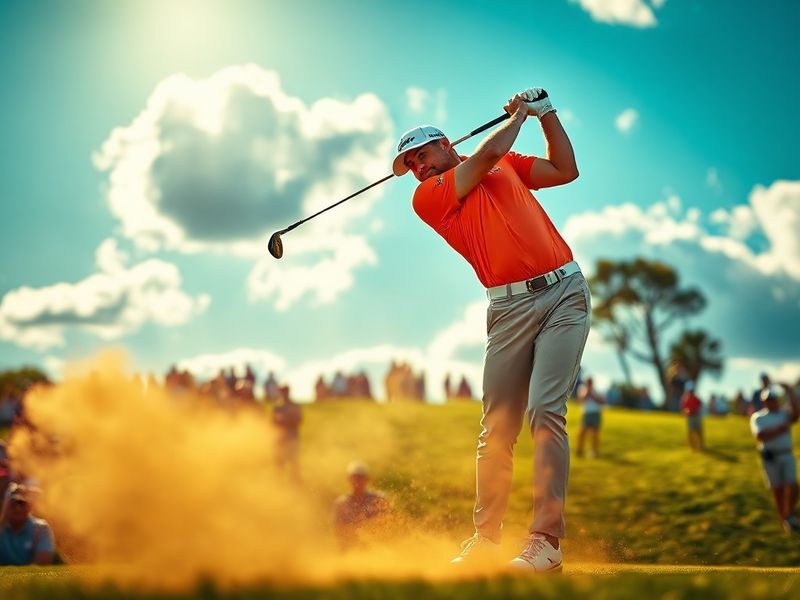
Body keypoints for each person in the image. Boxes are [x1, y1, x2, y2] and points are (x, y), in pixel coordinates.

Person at [395, 86, 588, 572]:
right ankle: (485, 539)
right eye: (411, 165)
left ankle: (546, 541)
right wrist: (519, 116)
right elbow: (485, 157)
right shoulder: (428, 196)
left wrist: (546, 114)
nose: (418, 168)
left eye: (422, 156)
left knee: (545, 411)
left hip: (564, 292)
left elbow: (565, 170)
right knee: (497, 428)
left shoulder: (506, 163)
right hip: (507, 310)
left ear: (445, 144)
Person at [749, 383, 800, 533]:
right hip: (770, 458)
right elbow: (760, 436)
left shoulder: (783, 414)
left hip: (786, 454)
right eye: (769, 399)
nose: (772, 401)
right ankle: (785, 517)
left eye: (774, 398)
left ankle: (788, 514)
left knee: (793, 486)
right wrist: (780, 429)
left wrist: (790, 392)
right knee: (778, 490)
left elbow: (796, 414)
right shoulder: (758, 417)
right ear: (764, 401)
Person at [332, 461, 390, 550]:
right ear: (349, 479)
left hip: (375, 547)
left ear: (367, 479)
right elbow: (338, 529)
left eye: (361, 477)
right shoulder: (342, 503)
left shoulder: (378, 500)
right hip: (351, 549)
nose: (358, 481)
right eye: (355, 477)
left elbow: (387, 524)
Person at [0, 483, 55, 565]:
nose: (17, 508)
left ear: (29, 507)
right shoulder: (2, 527)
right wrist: (4, 517)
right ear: (6, 506)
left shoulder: (41, 527)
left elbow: (43, 561)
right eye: (13, 504)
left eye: (21, 504)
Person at [271, 385, 303, 480]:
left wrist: (285, 420)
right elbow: (273, 422)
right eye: (282, 391)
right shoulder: (277, 407)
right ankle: (279, 479)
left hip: (292, 437)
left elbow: (299, 420)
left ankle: (295, 479)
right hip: (280, 438)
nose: (284, 394)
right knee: (280, 460)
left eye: (285, 391)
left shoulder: (295, 406)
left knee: (293, 459)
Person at [575, 377, 605, 458]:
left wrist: (593, 396)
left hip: (596, 413)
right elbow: (580, 400)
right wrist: (587, 393)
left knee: (595, 434)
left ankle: (594, 451)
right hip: (586, 413)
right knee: (582, 432)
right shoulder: (582, 389)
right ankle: (579, 449)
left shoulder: (597, 390)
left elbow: (602, 401)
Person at [680, 381, 704, 452]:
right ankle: (693, 447)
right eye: (689, 390)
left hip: (696, 416)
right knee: (690, 432)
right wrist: (686, 411)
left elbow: (699, 406)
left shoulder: (696, 398)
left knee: (699, 431)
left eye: (692, 390)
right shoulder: (684, 399)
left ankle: (700, 446)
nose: (691, 392)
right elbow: (683, 408)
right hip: (690, 417)